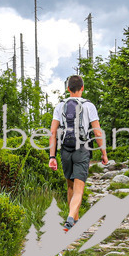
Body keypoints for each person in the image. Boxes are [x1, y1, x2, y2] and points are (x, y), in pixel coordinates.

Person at [49, 75, 108, 231]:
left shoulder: (60, 106)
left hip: (65, 149)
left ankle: (75, 221)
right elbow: (97, 131)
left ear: (68, 89)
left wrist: (52, 156)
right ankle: (70, 219)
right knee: (79, 189)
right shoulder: (89, 106)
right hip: (82, 149)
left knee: (70, 186)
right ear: (82, 88)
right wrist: (103, 152)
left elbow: (53, 132)